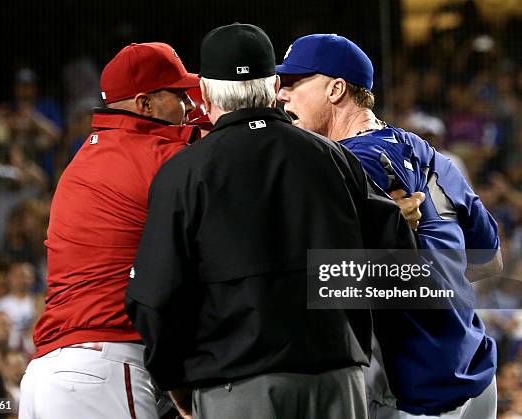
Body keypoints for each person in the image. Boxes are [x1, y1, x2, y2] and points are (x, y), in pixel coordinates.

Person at [125, 23, 416, 419]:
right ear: (274, 85)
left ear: (206, 92)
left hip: (236, 383)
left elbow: (154, 296)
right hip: (335, 377)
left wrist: (172, 378)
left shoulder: (184, 172)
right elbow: (398, 267)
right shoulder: (334, 158)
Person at [276, 34, 503, 418]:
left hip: (413, 394)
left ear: (336, 89)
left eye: (295, 82)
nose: (282, 95)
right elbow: (489, 260)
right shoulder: (434, 156)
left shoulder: (340, 165)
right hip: (475, 376)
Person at [19, 42, 200, 419]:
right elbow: (234, 151)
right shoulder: (156, 155)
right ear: (144, 105)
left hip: (46, 375)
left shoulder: (86, 155)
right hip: (104, 370)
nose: (188, 108)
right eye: (179, 95)